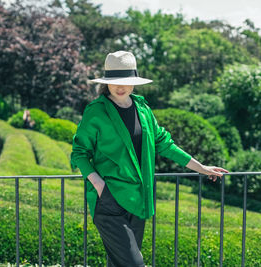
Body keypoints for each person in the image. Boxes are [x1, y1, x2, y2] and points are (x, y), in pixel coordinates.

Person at [70, 50, 229, 267]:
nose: (120, 86)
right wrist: (99, 185)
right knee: (134, 264)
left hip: (139, 199)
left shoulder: (142, 108)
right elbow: (79, 152)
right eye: (115, 80)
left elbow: (164, 143)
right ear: (106, 81)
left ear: (134, 81)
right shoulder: (96, 111)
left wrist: (201, 167)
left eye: (126, 80)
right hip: (109, 200)